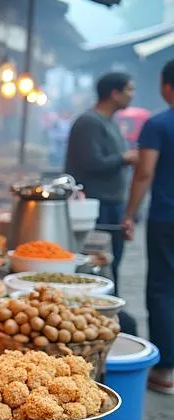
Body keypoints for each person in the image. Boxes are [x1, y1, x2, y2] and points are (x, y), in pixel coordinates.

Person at [123, 59, 174, 394]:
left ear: (165, 85)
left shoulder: (158, 124)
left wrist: (129, 213)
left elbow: (144, 173)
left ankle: (165, 370)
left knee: (161, 289)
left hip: (166, 218)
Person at [65, 72, 139, 293]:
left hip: (112, 203)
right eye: (129, 90)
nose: (131, 95)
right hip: (96, 205)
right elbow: (90, 163)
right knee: (98, 264)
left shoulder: (110, 123)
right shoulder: (89, 122)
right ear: (114, 94)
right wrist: (124, 158)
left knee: (112, 262)